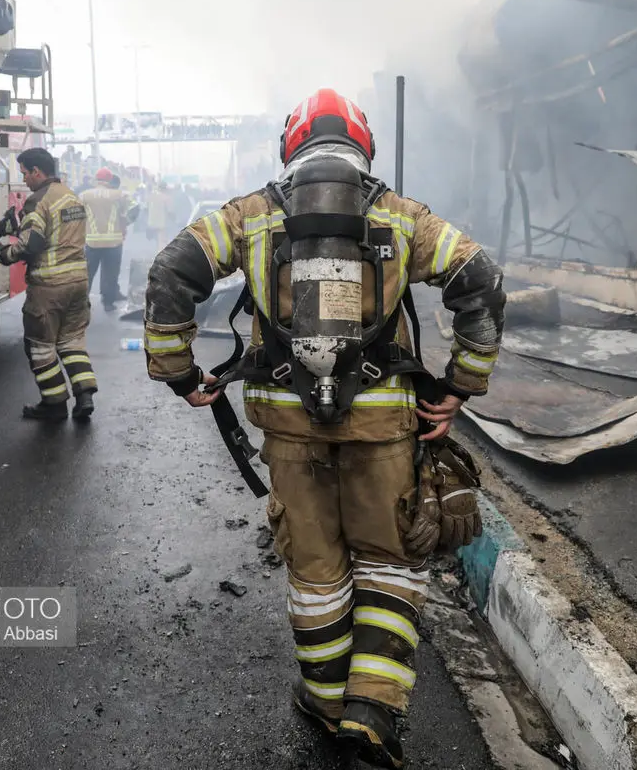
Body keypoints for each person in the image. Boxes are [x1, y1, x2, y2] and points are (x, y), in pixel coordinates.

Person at [141, 89, 505, 768]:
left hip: (290, 429)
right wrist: (459, 384)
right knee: (391, 563)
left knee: (316, 571)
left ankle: (325, 699)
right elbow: (480, 279)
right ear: (363, 145)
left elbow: (171, 273)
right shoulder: (403, 217)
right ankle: (373, 711)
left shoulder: (249, 216)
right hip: (383, 431)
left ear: (292, 145)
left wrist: (179, 371)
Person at [0, 147, 98, 421]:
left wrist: (4, 253)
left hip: (49, 286)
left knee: (40, 346)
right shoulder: (70, 197)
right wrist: (19, 227)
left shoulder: (38, 200)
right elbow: (53, 233)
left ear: (37, 172)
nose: (24, 179)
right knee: (72, 341)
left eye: (25, 173)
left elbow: (32, 244)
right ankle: (84, 396)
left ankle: (54, 404)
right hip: (78, 283)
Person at [81, 167, 136, 312]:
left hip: (92, 241)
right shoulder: (119, 195)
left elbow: (76, 214)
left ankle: (82, 301)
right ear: (110, 180)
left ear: (96, 180)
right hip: (113, 242)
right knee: (110, 273)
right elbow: (135, 207)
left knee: (87, 273)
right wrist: (126, 221)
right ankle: (108, 302)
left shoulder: (85, 195)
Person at [146, 181, 173, 247]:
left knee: (158, 240)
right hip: (162, 223)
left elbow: (147, 207)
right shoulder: (167, 198)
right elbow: (170, 211)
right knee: (162, 241)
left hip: (152, 222)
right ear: (165, 188)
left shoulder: (151, 196)